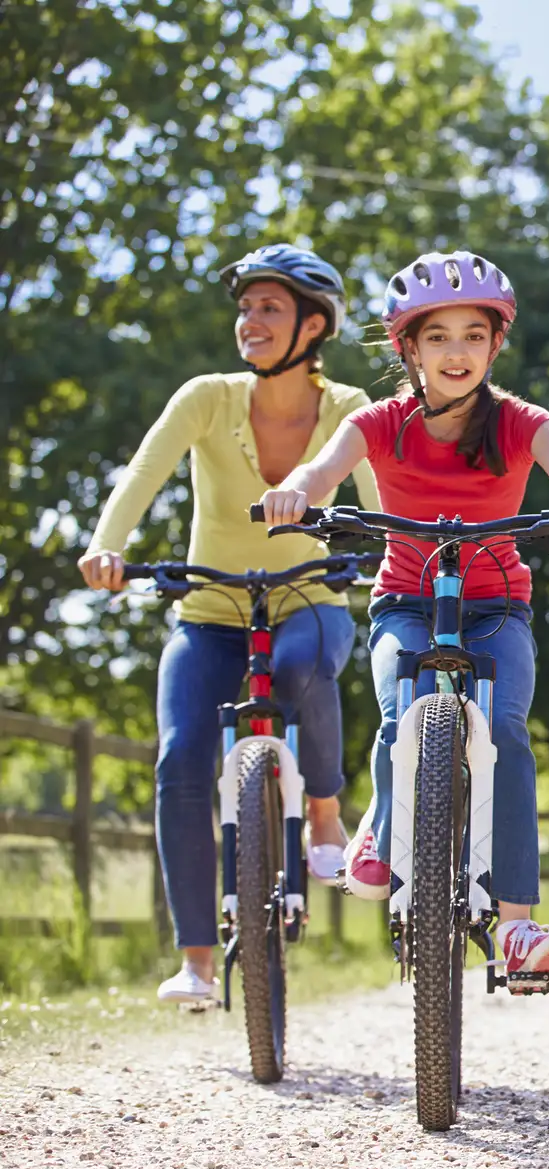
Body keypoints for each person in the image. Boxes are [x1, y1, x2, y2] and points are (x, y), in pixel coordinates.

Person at [257, 250, 549, 982]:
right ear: (409, 349)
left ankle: (518, 928)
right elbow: (321, 469)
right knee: (403, 711)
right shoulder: (380, 422)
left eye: (472, 335)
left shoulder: (524, 422)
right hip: (406, 602)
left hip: (498, 607)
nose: (456, 351)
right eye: (437, 337)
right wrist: (296, 491)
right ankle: (383, 830)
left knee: (509, 734)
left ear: (496, 345)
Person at [78, 244, 380, 1006]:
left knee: (304, 667)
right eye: (245, 307)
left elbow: (380, 510)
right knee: (181, 758)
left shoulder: (348, 411)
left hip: (309, 598)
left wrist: (389, 559)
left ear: (314, 325)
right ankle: (197, 963)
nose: (250, 320)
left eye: (269, 308)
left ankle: (322, 812)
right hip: (209, 611)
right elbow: (144, 473)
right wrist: (107, 546)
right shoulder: (206, 397)